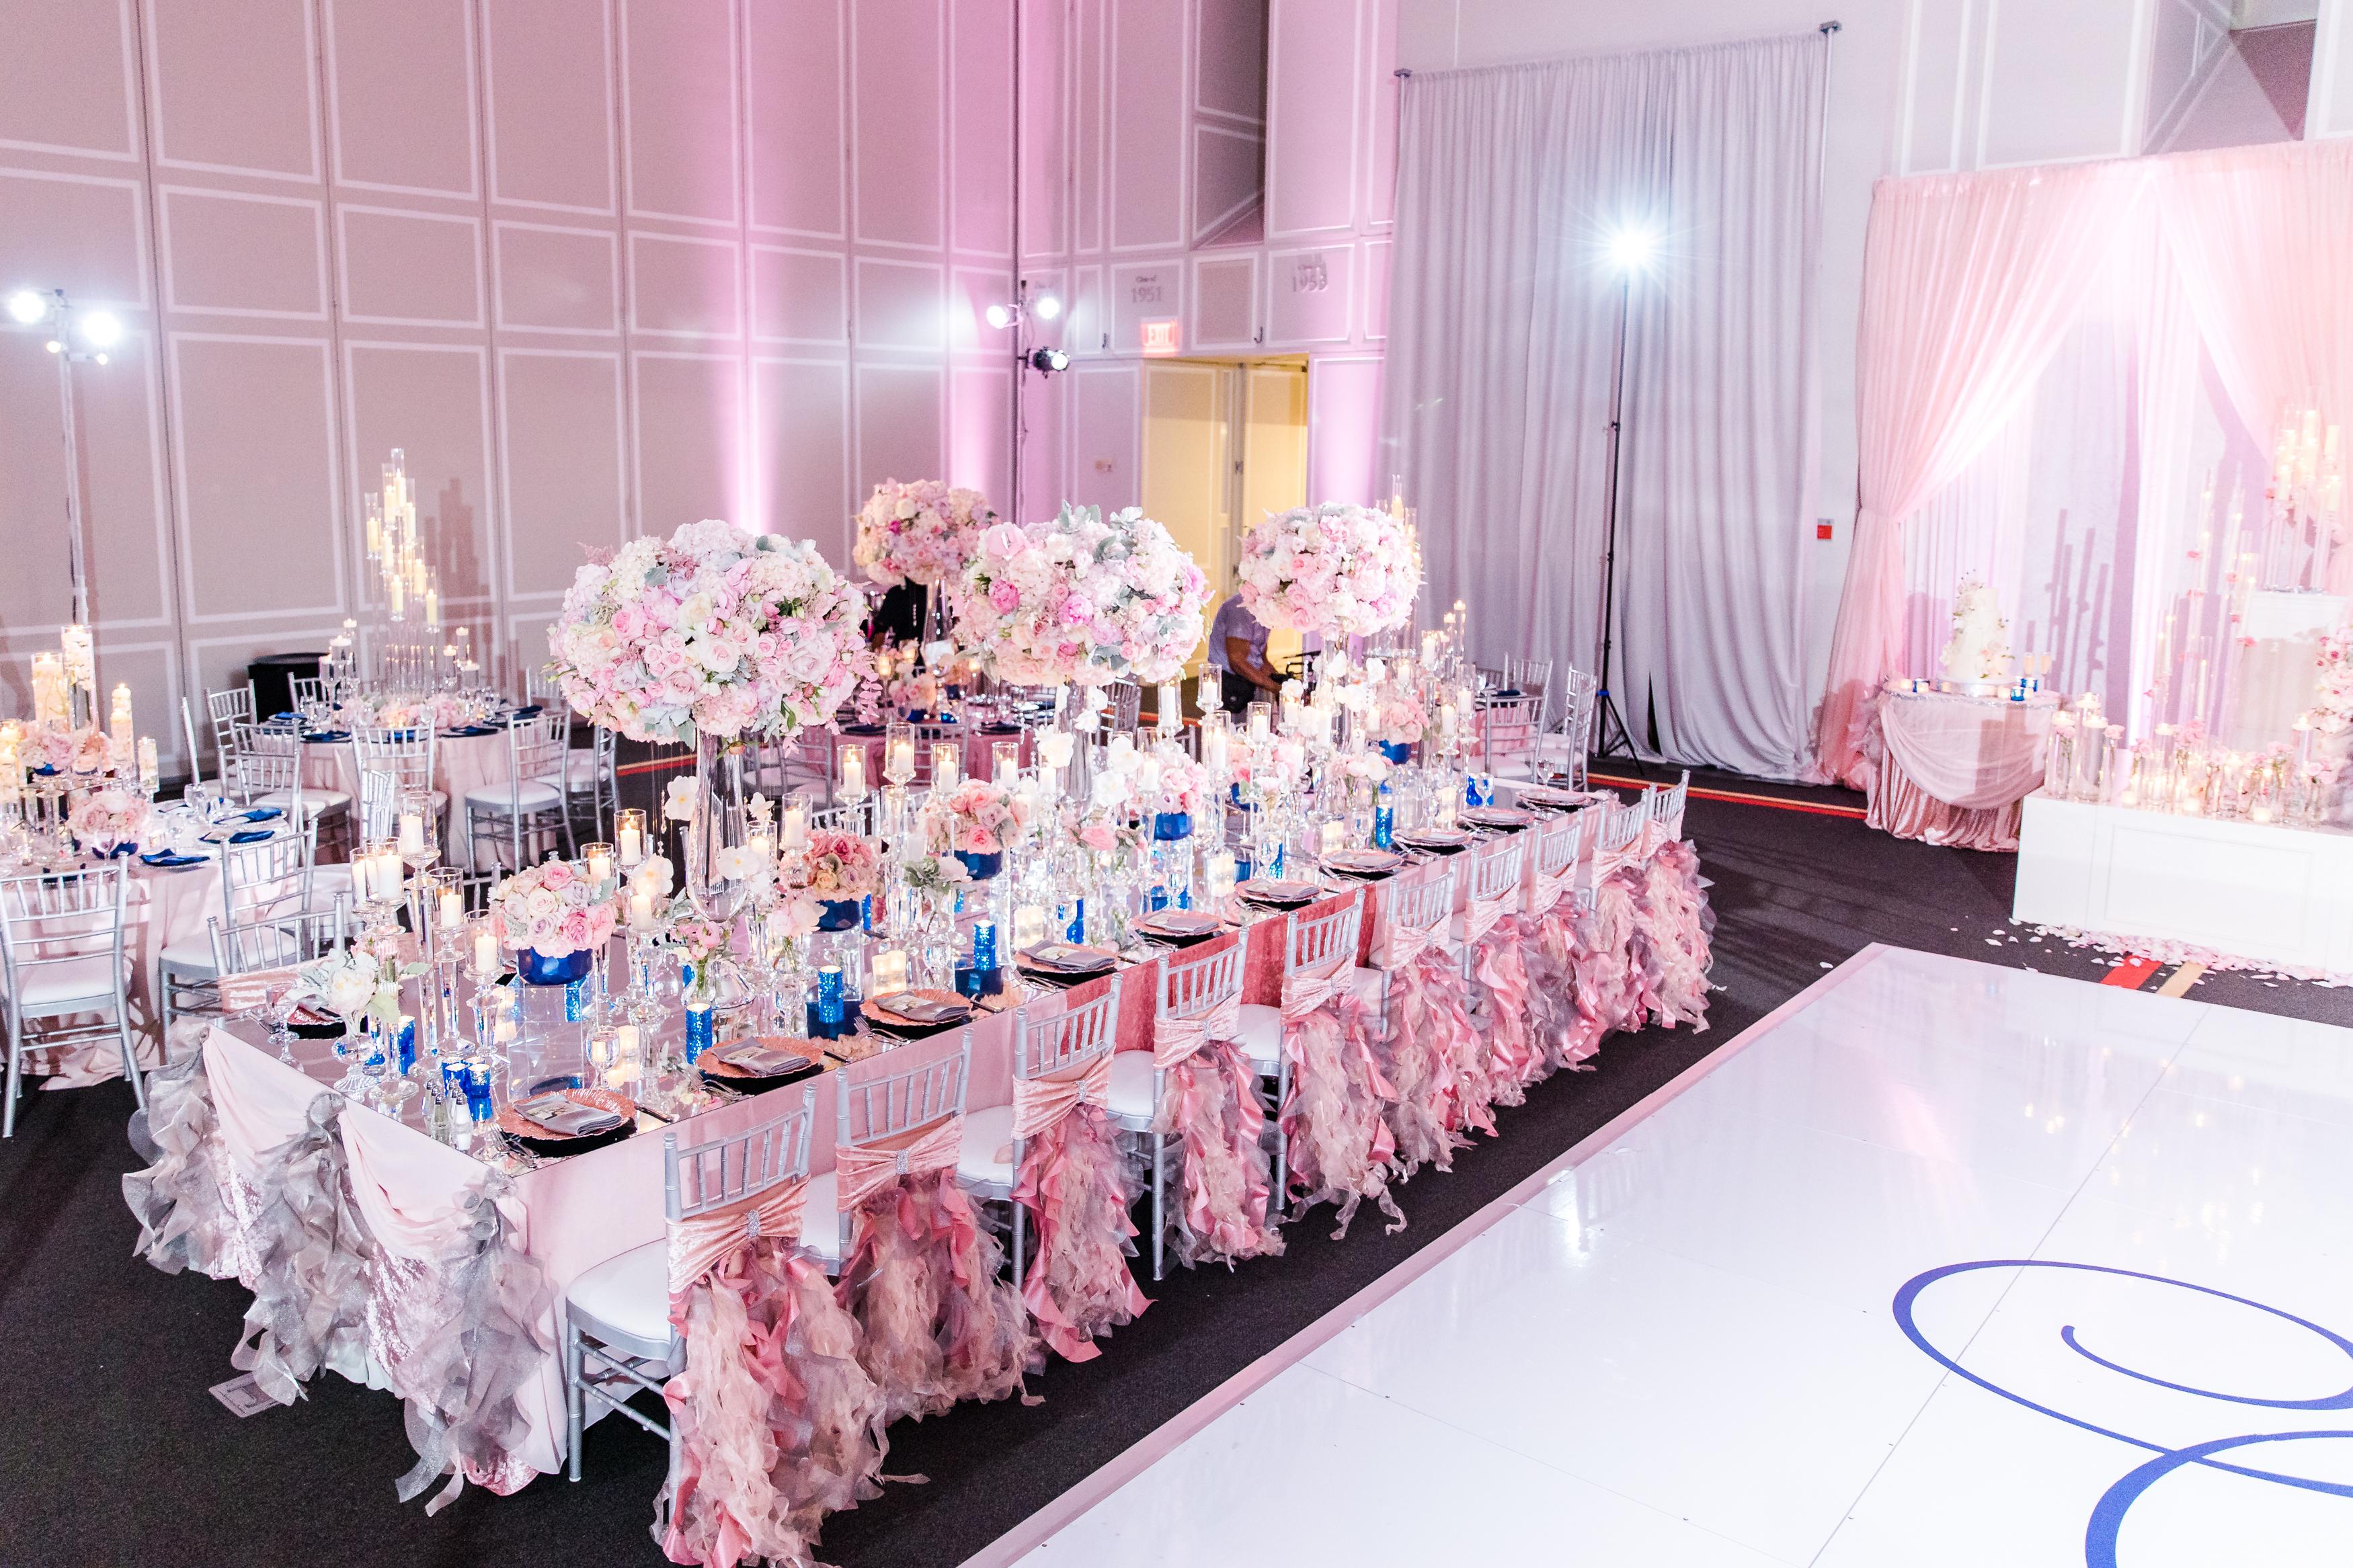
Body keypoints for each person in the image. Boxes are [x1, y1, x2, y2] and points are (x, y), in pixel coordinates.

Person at [1205, 585, 1278, 714]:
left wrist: (1266, 665)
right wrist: (1275, 688)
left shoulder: (1265, 608)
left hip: (1251, 680)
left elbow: (1258, 643)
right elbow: (1237, 661)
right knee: (1234, 731)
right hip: (1231, 686)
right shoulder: (1240, 609)